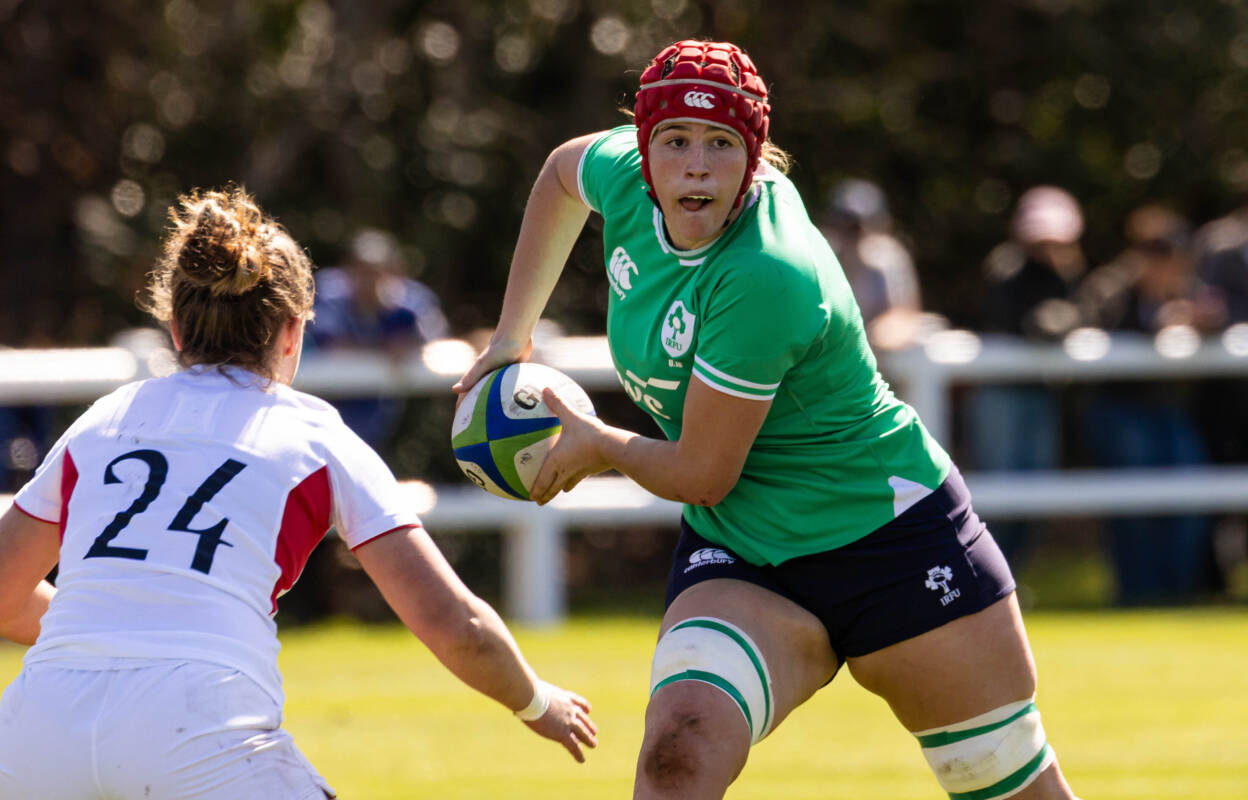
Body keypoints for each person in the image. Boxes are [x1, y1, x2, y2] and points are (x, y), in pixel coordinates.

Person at [455, 40, 1077, 800]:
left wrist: (600, 447)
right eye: (674, 141)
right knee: (677, 757)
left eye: (722, 144)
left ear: (753, 159)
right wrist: (513, 335)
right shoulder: (624, 175)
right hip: (746, 550)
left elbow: (700, 473)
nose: (695, 165)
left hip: (890, 542)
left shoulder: (768, 271)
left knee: (1011, 790)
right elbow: (560, 173)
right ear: (642, 150)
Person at [0, 186, 596, 799]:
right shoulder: (314, 435)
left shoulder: (103, 421)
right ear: (292, 332)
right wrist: (536, 701)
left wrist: (102, 632)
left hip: (30, 734)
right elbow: (456, 624)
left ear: (176, 329)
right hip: (200, 728)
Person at [1076, 204, 1216, 604]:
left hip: (1168, 411)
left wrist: (1201, 322)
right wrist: (1151, 322)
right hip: (1117, 409)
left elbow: (1219, 318)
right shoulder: (1111, 288)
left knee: (1191, 499)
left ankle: (1176, 594)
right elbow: (1088, 334)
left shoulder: (1189, 289)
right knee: (1133, 510)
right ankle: (1138, 596)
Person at [965, 185, 1089, 566]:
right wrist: (1040, 322)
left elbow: (1081, 314)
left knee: (1036, 492)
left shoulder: (1070, 276)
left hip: (1039, 395)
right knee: (999, 494)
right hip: (1002, 395)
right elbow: (1004, 315)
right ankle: (987, 577)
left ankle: (1013, 576)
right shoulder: (1006, 266)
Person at [306, 227, 449, 450]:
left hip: (383, 415)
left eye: (377, 271)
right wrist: (385, 348)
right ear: (348, 269)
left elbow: (438, 346)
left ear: (395, 272)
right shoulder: (327, 294)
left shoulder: (411, 304)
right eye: (362, 270)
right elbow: (332, 346)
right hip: (326, 408)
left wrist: (409, 346)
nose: (370, 280)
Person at [818, 178, 931, 351]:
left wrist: (880, 332)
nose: (854, 234)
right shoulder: (819, 253)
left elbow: (904, 316)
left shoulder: (887, 257)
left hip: (874, 355)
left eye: (858, 227)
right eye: (847, 226)